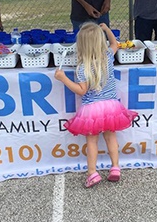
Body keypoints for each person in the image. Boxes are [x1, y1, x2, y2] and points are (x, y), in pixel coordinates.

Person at [54, 22, 138, 188]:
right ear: (100, 41)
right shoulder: (107, 56)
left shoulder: (82, 68)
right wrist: (107, 30)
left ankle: (92, 173)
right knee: (110, 137)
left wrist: (63, 79)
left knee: (91, 142)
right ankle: (115, 167)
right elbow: (115, 44)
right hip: (111, 107)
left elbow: (81, 91)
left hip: (92, 109)